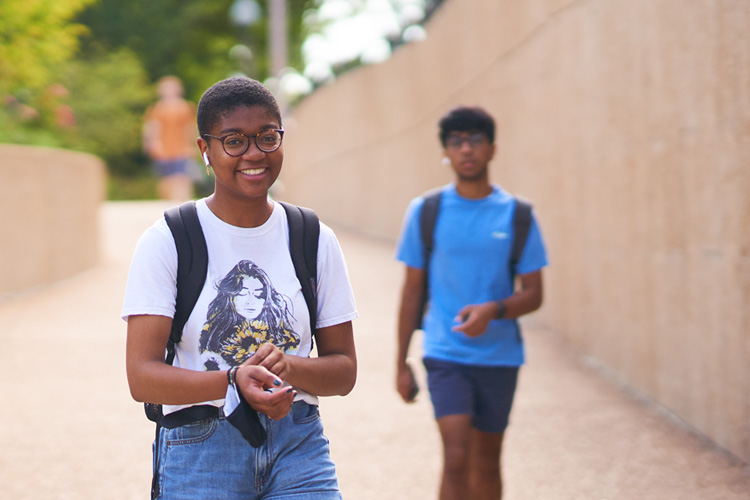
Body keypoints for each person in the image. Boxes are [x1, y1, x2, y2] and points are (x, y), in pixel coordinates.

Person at [123, 76, 358, 499]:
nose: (254, 154)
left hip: (298, 446)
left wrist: (288, 367)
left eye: (267, 137)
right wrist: (233, 379)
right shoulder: (169, 240)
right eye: (234, 141)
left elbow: (343, 371)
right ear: (205, 150)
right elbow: (142, 377)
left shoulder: (312, 237)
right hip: (200, 452)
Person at [394, 106, 548, 499]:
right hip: (446, 353)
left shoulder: (519, 216)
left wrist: (493, 310)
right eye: (456, 141)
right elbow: (411, 290)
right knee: (457, 454)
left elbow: (534, 294)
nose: (466, 149)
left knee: (487, 458)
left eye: (475, 140)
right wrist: (400, 362)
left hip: (500, 357)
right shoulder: (425, 211)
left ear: (492, 149)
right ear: (446, 150)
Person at [142, 76, 198, 201]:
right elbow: (152, 127)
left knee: (182, 177)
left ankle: (183, 203)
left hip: (182, 148)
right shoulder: (157, 108)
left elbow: (190, 128)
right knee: (166, 179)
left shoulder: (185, 107)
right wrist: (151, 143)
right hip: (163, 150)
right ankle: (166, 203)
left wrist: (193, 145)